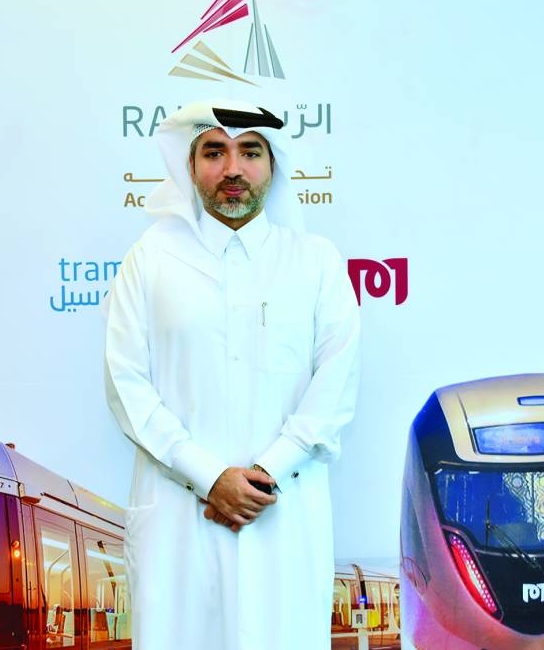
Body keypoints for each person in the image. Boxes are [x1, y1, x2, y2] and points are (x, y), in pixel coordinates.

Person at [104, 99, 360, 649]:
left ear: (272, 164)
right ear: (190, 165)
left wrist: (265, 473)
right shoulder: (149, 260)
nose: (233, 169)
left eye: (250, 151)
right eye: (214, 152)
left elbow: (335, 385)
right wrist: (209, 476)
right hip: (180, 516)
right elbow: (127, 385)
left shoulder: (315, 260)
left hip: (283, 512)